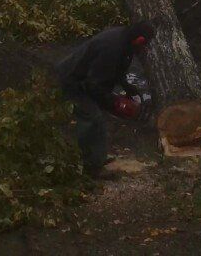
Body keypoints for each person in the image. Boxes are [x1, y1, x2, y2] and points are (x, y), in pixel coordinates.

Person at [55, 20, 153, 175]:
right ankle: (90, 167)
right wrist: (113, 103)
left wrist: (129, 88)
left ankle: (97, 158)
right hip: (73, 80)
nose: (144, 48)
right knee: (92, 117)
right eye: (144, 44)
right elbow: (93, 85)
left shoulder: (125, 40)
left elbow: (117, 69)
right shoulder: (112, 47)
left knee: (98, 117)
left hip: (88, 79)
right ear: (140, 40)